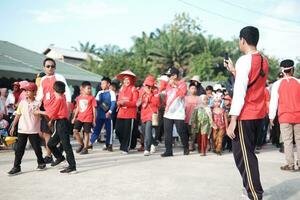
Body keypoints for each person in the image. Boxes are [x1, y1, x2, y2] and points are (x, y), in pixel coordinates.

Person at [225, 26, 268, 200]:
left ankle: (255, 194)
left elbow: (241, 91)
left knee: (243, 156)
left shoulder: (244, 60)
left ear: (242, 40)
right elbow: (252, 83)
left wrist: (233, 119)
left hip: (245, 114)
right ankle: (249, 188)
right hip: (258, 113)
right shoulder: (263, 59)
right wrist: (234, 71)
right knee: (247, 153)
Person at [36, 58, 71, 164]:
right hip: (47, 111)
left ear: (55, 67)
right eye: (48, 66)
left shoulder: (59, 77)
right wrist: (36, 105)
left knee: (60, 137)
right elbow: (40, 94)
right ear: (44, 68)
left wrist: (68, 110)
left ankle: (67, 161)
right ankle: (49, 155)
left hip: (58, 111)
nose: (50, 68)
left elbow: (67, 93)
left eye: (52, 66)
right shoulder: (42, 80)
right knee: (46, 133)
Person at [36, 81, 76, 173]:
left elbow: (51, 113)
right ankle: (60, 157)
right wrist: (52, 120)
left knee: (66, 146)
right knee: (51, 144)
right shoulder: (62, 97)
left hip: (62, 123)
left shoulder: (59, 99)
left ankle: (72, 166)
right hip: (60, 122)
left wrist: (39, 112)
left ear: (54, 90)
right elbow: (56, 112)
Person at [8, 82, 46, 175]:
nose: (26, 92)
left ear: (34, 92)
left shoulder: (38, 103)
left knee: (37, 148)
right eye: (25, 91)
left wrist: (45, 125)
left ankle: (41, 163)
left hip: (33, 130)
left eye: (29, 91)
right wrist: (13, 126)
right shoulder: (22, 103)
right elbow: (18, 114)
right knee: (19, 149)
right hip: (22, 129)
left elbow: (43, 115)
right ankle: (16, 167)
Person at [269, 59, 300, 171]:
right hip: (298, 116)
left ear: (282, 71)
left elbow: (273, 102)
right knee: (299, 140)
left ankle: (290, 164)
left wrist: (271, 117)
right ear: (292, 69)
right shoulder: (299, 82)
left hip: (284, 117)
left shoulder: (277, 84)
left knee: (287, 141)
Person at [161, 67, 189, 157]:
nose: (169, 77)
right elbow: (163, 94)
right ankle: (168, 151)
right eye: (168, 76)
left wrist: (175, 86)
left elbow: (181, 95)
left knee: (181, 131)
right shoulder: (167, 85)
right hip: (168, 112)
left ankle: (186, 146)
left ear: (175, 76)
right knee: (167, 132)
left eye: (170, 76)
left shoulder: (183, 84)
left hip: (179, 113)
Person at [115, 70, 138, 154]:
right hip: (121, 113)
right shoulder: (121, 89)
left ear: (131, 80)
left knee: (127, 132)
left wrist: (125, 103)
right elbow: (119, 100)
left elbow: (136, 103)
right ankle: (124, 144)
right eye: (125, 80)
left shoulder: (133, 89)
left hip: (130, 114)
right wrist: (118, 103)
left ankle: (125, 148)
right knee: (118, 130)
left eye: (128, 80)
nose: (126, 81)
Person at [90, 77, 116, 151]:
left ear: (108, 84)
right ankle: (90, 143)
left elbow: (113, 103)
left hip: (108, 115)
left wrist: (110, 112)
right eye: (101, 83)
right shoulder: (99, 93)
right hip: (100, 114)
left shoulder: (112, 92)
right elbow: (96, 103)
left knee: (109, 130)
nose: (102, 85)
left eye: (103, 83)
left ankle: (109, 144)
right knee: (96, 129)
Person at [72, 81, 96, 155]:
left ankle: (85, 148)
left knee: (86, 133)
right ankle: (81, 144)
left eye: (90, 88)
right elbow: (78, 108)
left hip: (88, 118)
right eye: (88, 88)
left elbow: (94, 109)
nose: (89, 90)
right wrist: (74, 117)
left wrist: (94, 119)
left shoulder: (92, 98)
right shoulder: (78, 98)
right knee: (75, 131)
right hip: (80, 117)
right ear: (83, 89)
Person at [138, 75, 159, 156]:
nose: (147, 86)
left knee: (148, 131)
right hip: (143, 113)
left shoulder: (156, 91)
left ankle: (147, 149)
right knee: (144, 131)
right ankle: (154, 142)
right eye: (146, 85)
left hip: (151, 113)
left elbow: (157, 103)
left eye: (149, 85)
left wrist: (150, 94)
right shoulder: (142, 90)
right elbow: (139, 101)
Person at [184, 83, 201, 151]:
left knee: (193, 133)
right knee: (187, 133)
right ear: (189, 89)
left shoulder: (199, 98)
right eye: (192, 88)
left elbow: (200, 109)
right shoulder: (185, 98)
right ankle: (187, 144)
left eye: (195, 88)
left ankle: (192, 144)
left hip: (195, 119)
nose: (193, 90)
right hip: (186, 118)